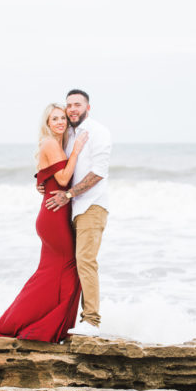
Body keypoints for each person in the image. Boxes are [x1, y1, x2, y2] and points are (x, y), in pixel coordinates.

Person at [0, 103, 88, 341]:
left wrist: (42, 182)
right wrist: (76, 151)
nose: (60, 122)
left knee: (55, 272)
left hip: (54, 214)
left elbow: (47, 176)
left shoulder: (56, 144)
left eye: (63, 118)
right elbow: (63, 179)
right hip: (53, 216)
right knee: (67, 270)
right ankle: (27, 324)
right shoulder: (51, 143)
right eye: (54, 118)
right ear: (47, 123)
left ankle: (45, 325)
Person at [44, 89, 111, 337]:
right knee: (70, 265)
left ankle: (92, 321)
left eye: (77, 105)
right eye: (69, 105)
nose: (72, 109)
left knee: (86, 261)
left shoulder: (98, 133)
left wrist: (69, 194)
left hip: (92, 205)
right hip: (70, 209)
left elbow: (98, 172)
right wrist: (43, 181)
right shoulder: (68, 134)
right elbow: (60, 167)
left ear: (88, 107)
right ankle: (67, 320)